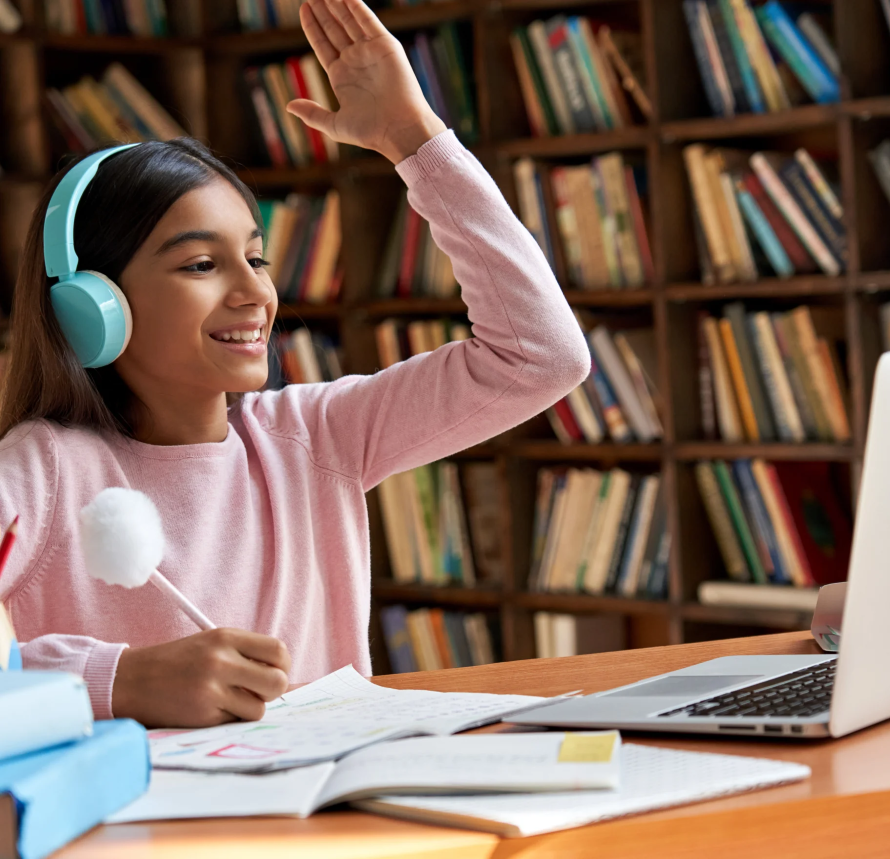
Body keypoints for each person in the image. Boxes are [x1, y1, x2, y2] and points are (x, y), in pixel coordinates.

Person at [0, 0, 589, 728]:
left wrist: (413, 139)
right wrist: (117, 680)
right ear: (94, 305)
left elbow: (541, 356)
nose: (254, 293)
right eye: (203, 264)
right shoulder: (45, 467)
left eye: (256, 257)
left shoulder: (315, 436)